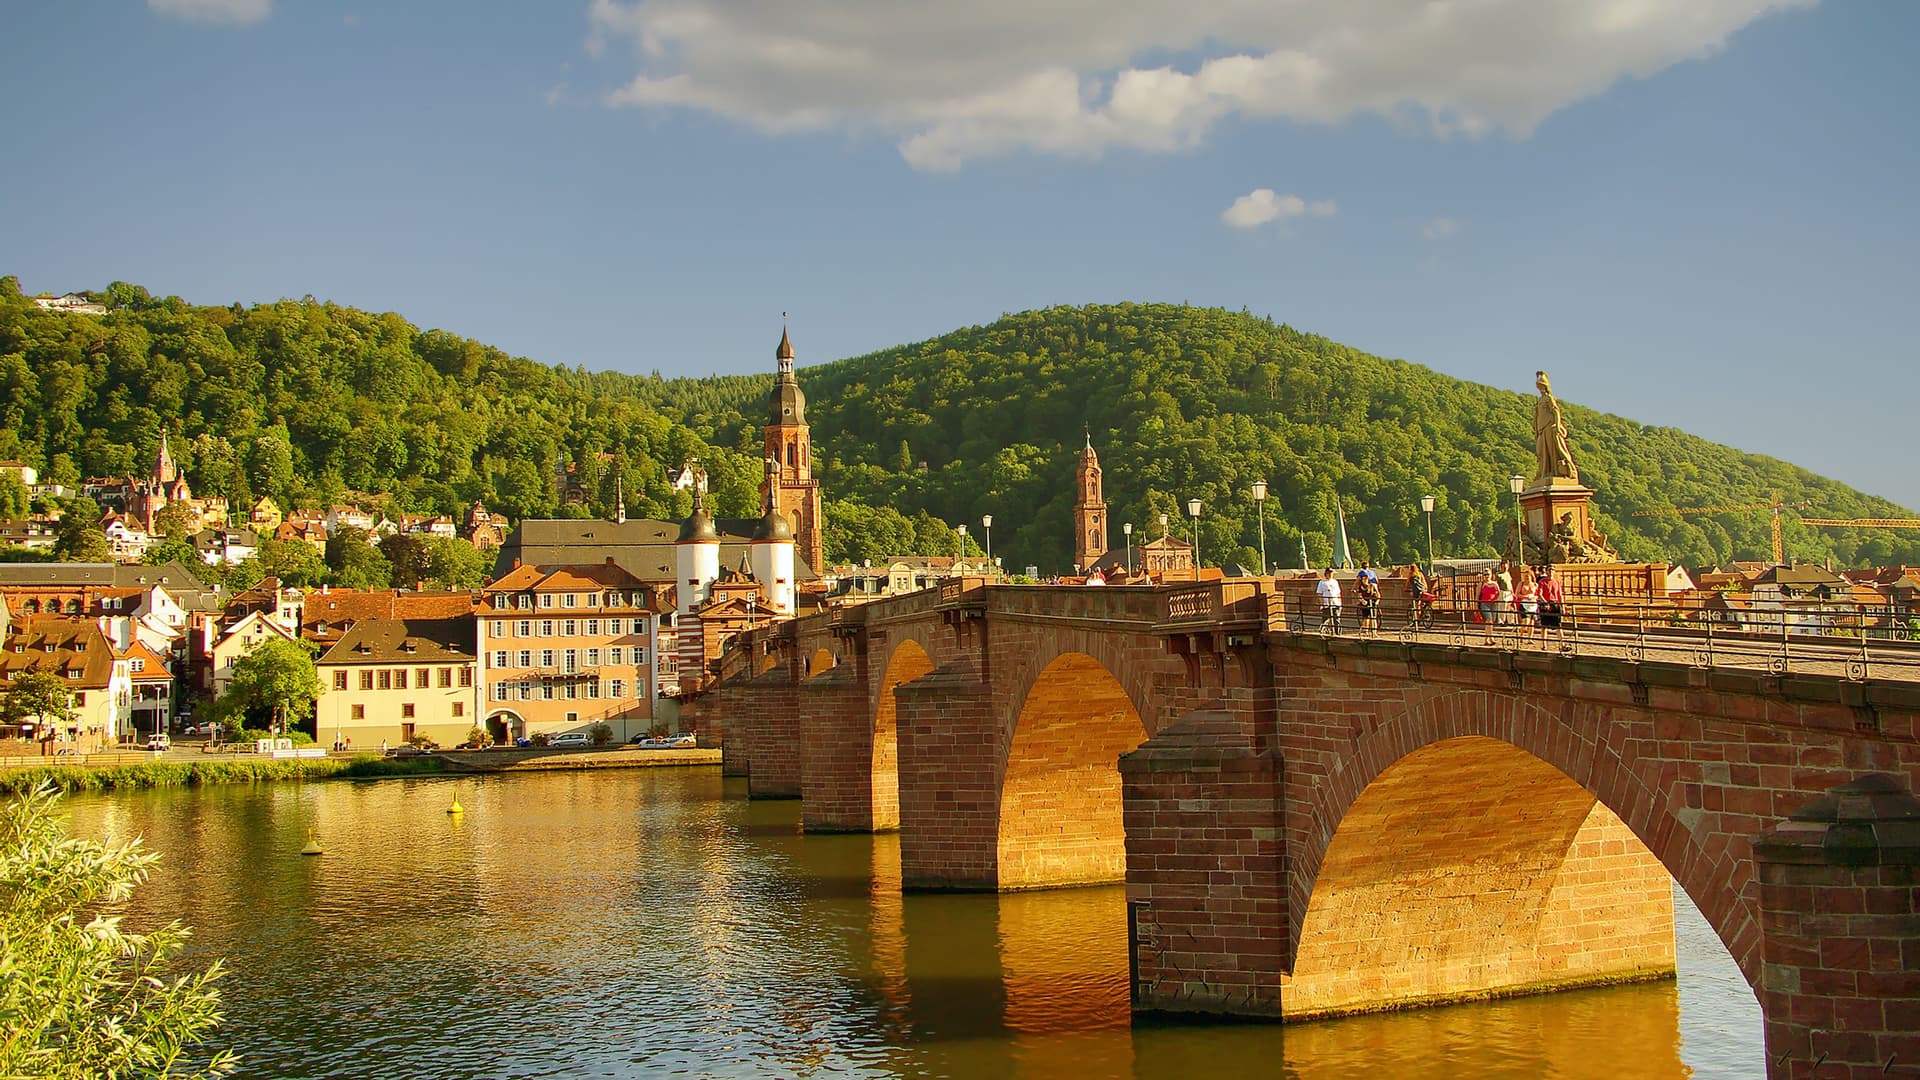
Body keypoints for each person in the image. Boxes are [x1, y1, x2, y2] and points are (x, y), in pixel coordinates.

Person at [1538, 566, 1566, 646]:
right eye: (1549, 570)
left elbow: (1559, 595)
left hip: (1555, 603)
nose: (1550, 572)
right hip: (1546, 604)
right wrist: (1545, 602)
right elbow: (1540, 594)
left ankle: (1562, 643)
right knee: (1544, 625)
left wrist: (1562, 606)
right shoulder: (1542, 582)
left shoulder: (1556, 582)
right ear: (1546, 572)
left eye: (1552, 570)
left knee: (1558, 624)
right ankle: (1544, 644)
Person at [1514, 566, 1539, 644]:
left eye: (1528, 577)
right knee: (1526, 621)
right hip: (1524, 603)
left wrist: (1534, 597)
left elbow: (1538, 594)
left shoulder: (1535, 585)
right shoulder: (1521, 584)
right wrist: (1525, 596)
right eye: (1525, 577)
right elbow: (1517, 594)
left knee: (1532, 622)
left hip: (1533, 604)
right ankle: (1521, 636)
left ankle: (1530, 638)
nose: (1526, 578)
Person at [1316, 568, 1343, 633]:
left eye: (1332, 573)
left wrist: (1340, 603)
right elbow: (1319, 593)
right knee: (1326, 619)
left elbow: (1338, 593)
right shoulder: (1322, 582)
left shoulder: (1335, 582)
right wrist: (1322, 603)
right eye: (1329, 573)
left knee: (1336, 619)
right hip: (1326, 603)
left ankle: (1337, 633)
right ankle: (1323, 631)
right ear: (1326, 574)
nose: (1331, 574)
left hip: (1335, 603)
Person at [1477, 570, 1500, 643]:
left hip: (1493, 604)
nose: (1487, 576)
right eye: (1485, 574)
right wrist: (1476, 606)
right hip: (1484, 604)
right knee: (1488, 620)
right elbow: (1477, 596)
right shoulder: (1481, 584)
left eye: (1488, 574)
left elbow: (1499, 593)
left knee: (1491, 621)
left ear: (1491, 575)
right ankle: (1490, 637)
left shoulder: (1495, 583)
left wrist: (1496, 599)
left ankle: (1488, 637)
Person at [1495, 560, 1515, 624]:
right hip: (1503, 591)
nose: (1505, 569)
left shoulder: (1508, 573)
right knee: (1502, 607)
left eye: (1506, 567)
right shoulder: (1498, 575)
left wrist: (1512, 592)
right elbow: (1497, 584)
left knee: (1510, 607)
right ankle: (1501, 620)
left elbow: (1510, 583)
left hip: (1509, 592)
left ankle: (1511, 621)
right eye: (1503, 567)